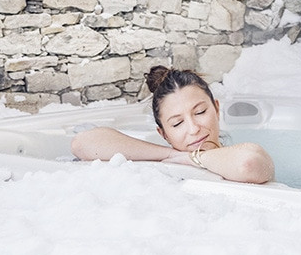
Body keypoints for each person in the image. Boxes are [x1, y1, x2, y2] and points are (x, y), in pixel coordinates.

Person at [69, 66, 274, 184]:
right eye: (177, 123)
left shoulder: (243, 152)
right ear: (163, 133)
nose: (194, 129)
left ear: (217, 109)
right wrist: (168, 155)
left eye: (200, 112)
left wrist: (189, 157)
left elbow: (249, 166)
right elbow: (82, 143)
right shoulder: (165, 163)